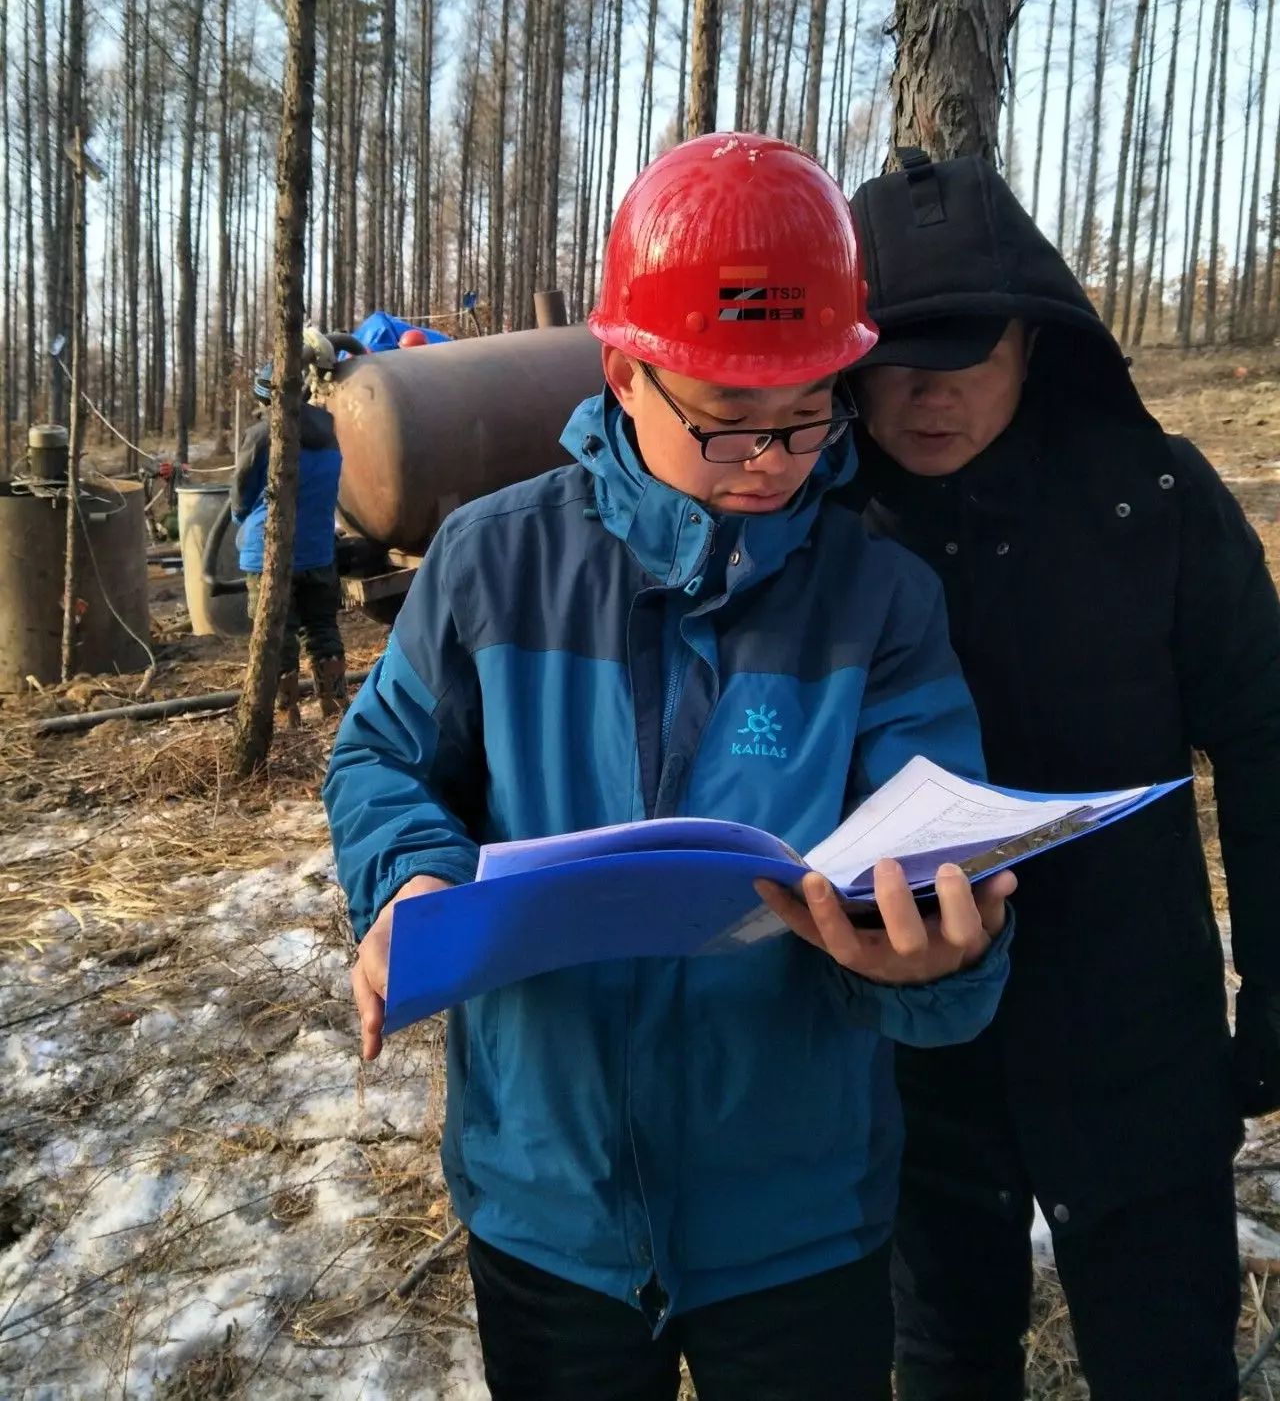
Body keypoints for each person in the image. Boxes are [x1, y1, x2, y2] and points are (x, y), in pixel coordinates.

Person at [324, 133, 1017, 1401]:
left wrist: (940, 959)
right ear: (623, 372)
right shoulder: (492, 564)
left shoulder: (878, 601)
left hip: (797, 1216)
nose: (773, 463)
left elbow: (931, 831)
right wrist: (410, 882)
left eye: (809, 416)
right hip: (550, 1202)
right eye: (729, 422)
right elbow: (379, 757)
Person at [842, 148, 1280, 1401]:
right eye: (897, 360)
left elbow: (1261, 737)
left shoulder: (1154, 502)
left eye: (968, 354)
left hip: (1131, 1028)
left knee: (1161, 1361)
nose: (930, 395)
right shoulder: (817, 532)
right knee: (941, 1360)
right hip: (915, 1050)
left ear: (1032, 343)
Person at [232, 361, 348, 723]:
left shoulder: (263, 435)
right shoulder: (328, 432)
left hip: (269, 553)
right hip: (319, 551)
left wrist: (242, 520)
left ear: (266, 398)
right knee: (322, 628)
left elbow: (241, 496)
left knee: (276, 637)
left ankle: (287, 713)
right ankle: (335, 706)